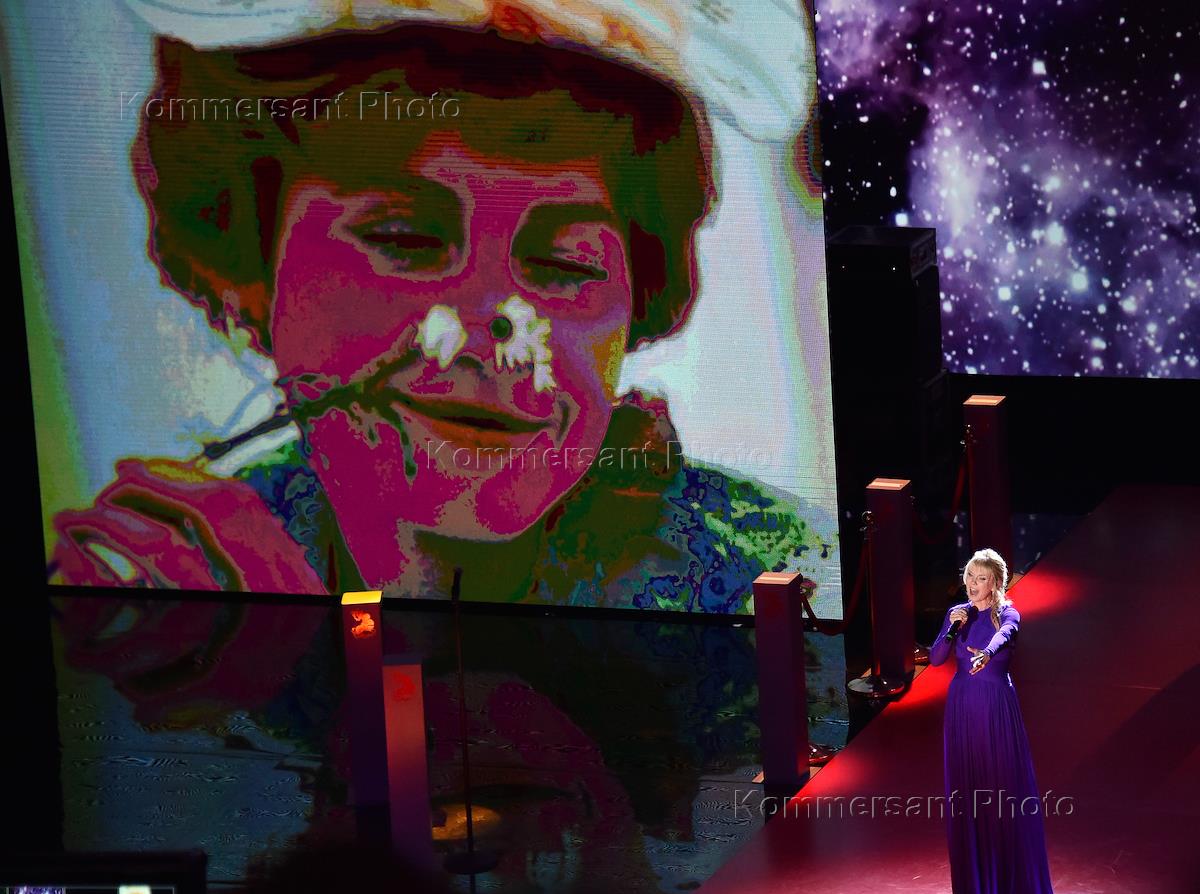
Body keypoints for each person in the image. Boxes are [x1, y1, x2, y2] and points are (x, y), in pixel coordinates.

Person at [47, 11, 825, 611]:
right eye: (405, 240)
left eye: (564, 265)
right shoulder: (178, 571)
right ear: (255, 270)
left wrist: (293, 661)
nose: (489, 331)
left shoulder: (780, 585)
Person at [928, 548, 1054, 894]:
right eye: (969, 575)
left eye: (981, 578)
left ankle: (1009, 879)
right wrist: (951, 628)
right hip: (962, 706)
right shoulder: (958, 614)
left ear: (995, 583)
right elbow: (936, 659)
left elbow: (1006, 635)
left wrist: (987, 651)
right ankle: (975, 881)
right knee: (968, 787)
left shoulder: (1008, 613)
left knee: (1001, 785)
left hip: (995, 707)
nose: (972, 584)